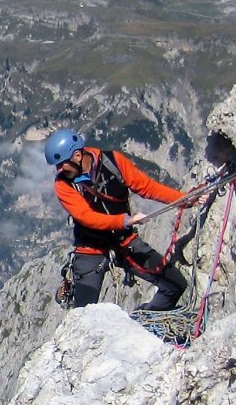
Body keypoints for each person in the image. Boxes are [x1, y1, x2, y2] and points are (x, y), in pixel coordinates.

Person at [45, 128, 188, 311]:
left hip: (124, 241)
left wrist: (184, 198)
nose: (58, 170)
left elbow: (146, 187)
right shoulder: (62, 185)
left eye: (61, 164)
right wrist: (124, 221)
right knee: (83, 316)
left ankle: (144, 323)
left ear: (77, 156)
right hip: (90, 250)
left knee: (175, 284)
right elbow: (86, 217)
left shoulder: (113, 161)